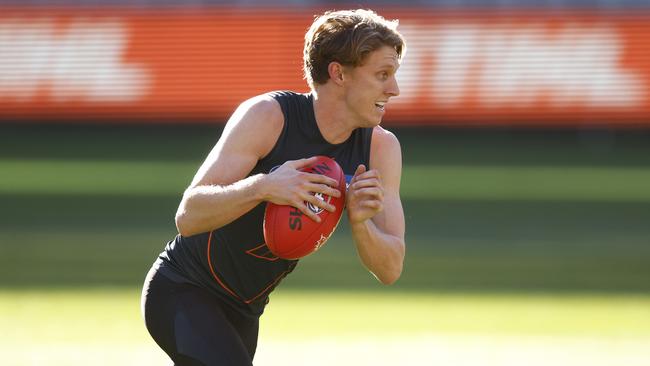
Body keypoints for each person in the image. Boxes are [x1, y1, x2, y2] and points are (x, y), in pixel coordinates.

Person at [141, 8, 406, 365]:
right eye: (382, 75)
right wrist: (264, 186)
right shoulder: (268, 116)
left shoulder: (380, 148)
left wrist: (360, 223)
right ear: (339, 73)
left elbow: (390, 268)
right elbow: (188, 216)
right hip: (183, 289)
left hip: (245, 312)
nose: (395, 89)